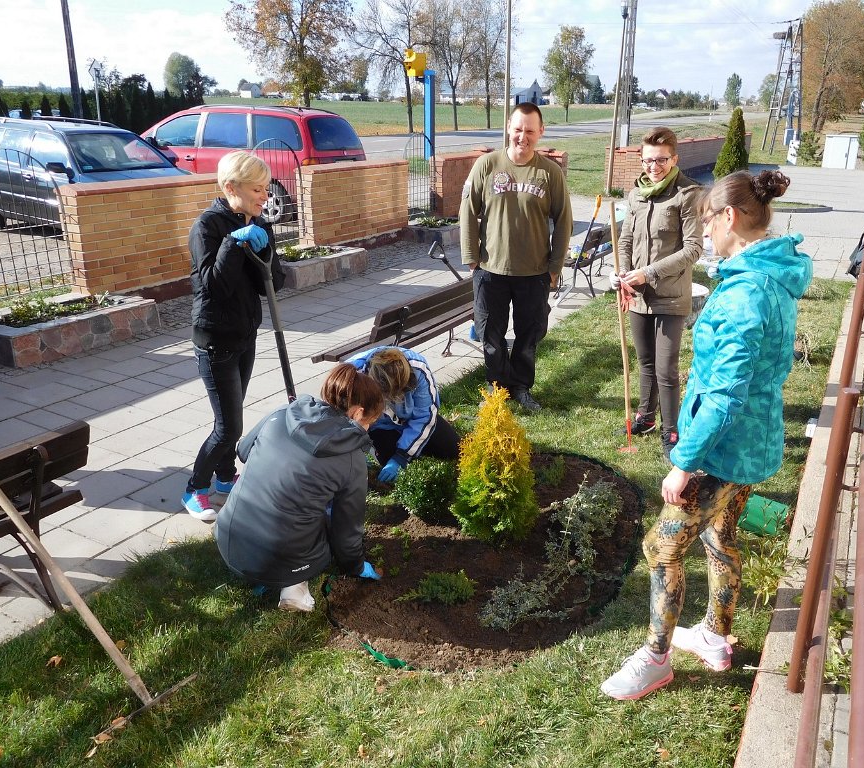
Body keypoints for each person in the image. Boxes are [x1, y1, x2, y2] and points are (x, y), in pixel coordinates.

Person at [600, 170, 813, 700]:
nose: (707, 234)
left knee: (662, 547)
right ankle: (716, 636)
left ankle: (655, 657)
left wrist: (685, 462)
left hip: (722, 448)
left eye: (707, 221)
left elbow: (724, 395)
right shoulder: (769, 276)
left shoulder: (746, 295)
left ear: (730, 218)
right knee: (721, 537)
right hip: (752, 442)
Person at [214, 363, 385, 612]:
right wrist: (356, 566)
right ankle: (294, 587)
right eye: (371, 421)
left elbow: (242, 451)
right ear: (358, 413)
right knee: (328, 520)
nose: (368, 428)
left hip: (228, 537)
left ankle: (273, 571)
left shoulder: (283, 412)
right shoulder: (352, 458)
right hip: (276, 561)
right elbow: (346, 532)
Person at [182, 150, 286, 523]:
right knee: (229, 427)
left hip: (245, 335)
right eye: (257, 188)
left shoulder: (257, 221)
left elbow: (274, 282)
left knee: (232, 415)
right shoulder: (207, 227)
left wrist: (266, 252)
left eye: (266, 188)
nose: (264, 195)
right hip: (214, 340)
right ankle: (195, 487)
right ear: (231, 187)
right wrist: (232, 244)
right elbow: (213, 287)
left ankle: (226, 479)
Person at [459, 102, 573, 412]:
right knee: (491, 335)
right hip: (490, 269)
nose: (523, 136)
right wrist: (471, 258)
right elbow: (468, 212)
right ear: (509, 127)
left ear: (541, 132)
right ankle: (497, 387)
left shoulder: (549, 172)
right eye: (518, 129)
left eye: (530, 131)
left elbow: (564, 221)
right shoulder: (486, 165)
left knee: (529, 334)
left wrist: (554, 267)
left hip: (534, 272)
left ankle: (521, 387)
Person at [610, 127, 703, 452]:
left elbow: (693, 249)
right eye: (648, 160)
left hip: (670, 296)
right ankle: (646, 417)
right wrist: (622, 274)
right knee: (645, 362)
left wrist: (647, 273)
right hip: (637, 296)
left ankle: (672, 432)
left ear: (674, 158)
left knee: (666, 369)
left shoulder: (688, 193)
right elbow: (625, 241)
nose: (654, 167)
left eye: (661, 160)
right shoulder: (636, 194)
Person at [347, 346, 460, 483]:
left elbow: (424, 416)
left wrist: (401, 456)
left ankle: (411, 447)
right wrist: (353, 452)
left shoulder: (419, 369)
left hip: (412, 418)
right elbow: (342, 419)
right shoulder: (351, 376)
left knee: (455, 449)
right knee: (391, 466)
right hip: (379, 427)